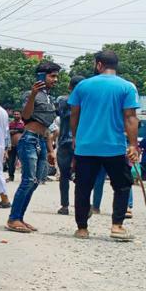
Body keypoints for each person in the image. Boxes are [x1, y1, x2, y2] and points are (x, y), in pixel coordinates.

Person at [70, 50, 139, 241]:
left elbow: (74, 114)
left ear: (99, 65)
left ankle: (82, 229)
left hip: (86, 146)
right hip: (114, 146)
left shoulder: (83, 86)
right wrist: (133, 145)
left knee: (83, 187)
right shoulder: (127, 87)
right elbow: (130, 117)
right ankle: (117, 226)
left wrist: (75, 136)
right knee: (122, 185)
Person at [7, 61, 61, 233]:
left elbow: (47, 128)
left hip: (41, 140)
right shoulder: (31, 94)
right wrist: (32, 95)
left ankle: (20, 218)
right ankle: (13, 218)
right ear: (41, 76)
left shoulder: (49, 98)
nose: (55, 79)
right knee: (28, 180)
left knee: (36, 181)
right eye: (52, 76)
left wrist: (51, 150)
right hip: (29, 139)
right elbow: (26, 116)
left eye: (56, 76)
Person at [54, 76, 83, 214]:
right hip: (82, 143)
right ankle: (82, 205)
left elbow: (57, 113)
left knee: (64, 176)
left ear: (70, 87)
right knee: (83, 176)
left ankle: (65, 206)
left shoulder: (62, 100)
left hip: (65, 141)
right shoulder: (87, 102)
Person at [6, 111, 25, 181]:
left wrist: (15, 131)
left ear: (20, 115)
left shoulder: (23, 123)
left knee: (23, 161)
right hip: (12, 145)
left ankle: (25, 177)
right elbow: (7, 133)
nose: (16, 115)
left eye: (17, 114)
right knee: (11, 162)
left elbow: (25, 131)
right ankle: (11, 176)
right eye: (15, 114)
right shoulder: (10, 124)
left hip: (21, 146)